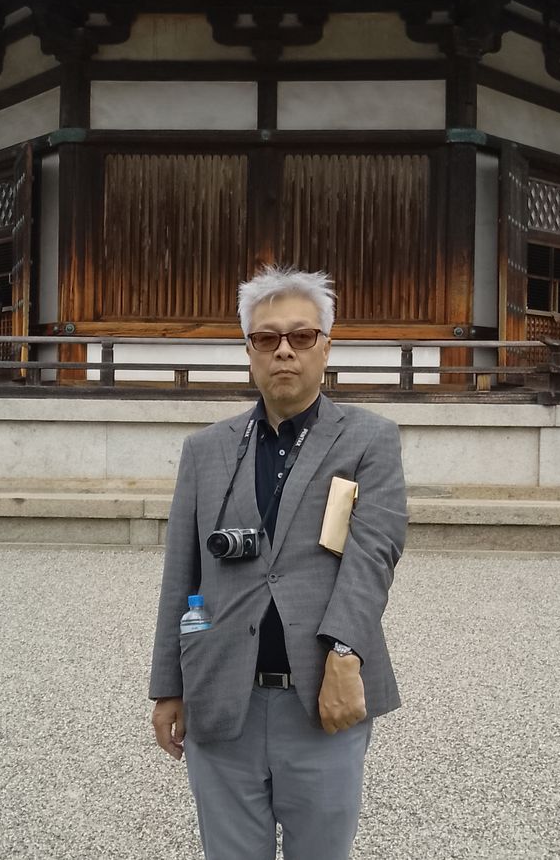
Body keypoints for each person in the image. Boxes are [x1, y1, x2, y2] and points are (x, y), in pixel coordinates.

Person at [149, 267, 409, 860]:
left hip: (321, 695)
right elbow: (181, 573)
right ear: (249, 351)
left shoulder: (368, 439)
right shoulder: (206, 450)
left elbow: (373, 554)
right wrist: (168, 686)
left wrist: (344, 653)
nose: (284, 350)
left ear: (326, 346)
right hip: (222, 694)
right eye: (266, 338)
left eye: (301, 336)